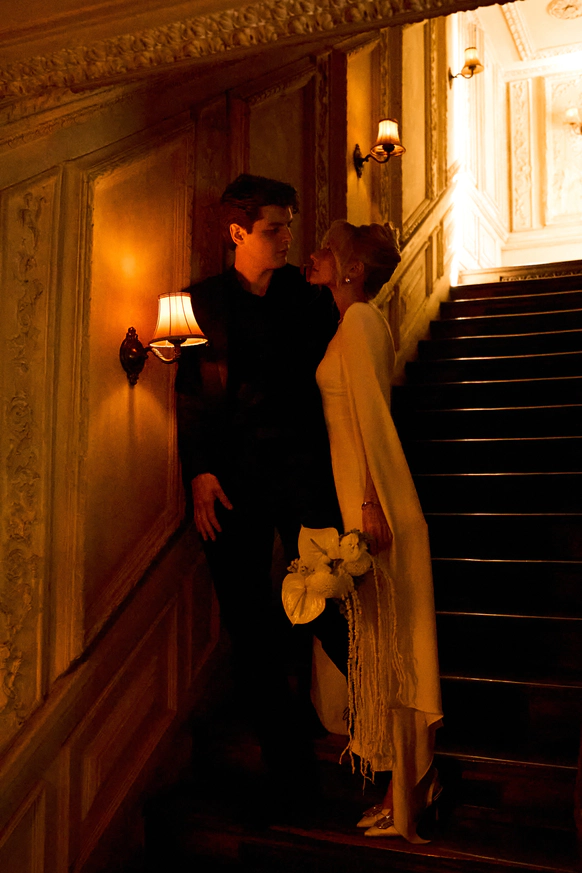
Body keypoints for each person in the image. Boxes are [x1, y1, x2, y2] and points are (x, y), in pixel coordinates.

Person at [175, 174, 347, 815]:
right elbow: (190, 394)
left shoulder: (310, 295)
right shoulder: (200, 301)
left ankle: (388, 728)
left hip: (303, 473)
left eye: (289, 227)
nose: (286, 239)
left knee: (329, 604)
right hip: (231, 481)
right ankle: (290, 776)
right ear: (237, 232)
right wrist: (199, 471)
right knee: (248, 622)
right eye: (274, 228)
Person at [307, 220, 443, 843]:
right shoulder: (350, 323)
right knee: (385, 653)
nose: (315, 255)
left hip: (376, 508)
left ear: (352, 270)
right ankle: (409, 786)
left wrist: (369, 506)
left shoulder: (361, 320)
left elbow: (371, 420)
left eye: (328, 251)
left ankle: (407, 793)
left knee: (394, 654)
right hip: (362, 506)